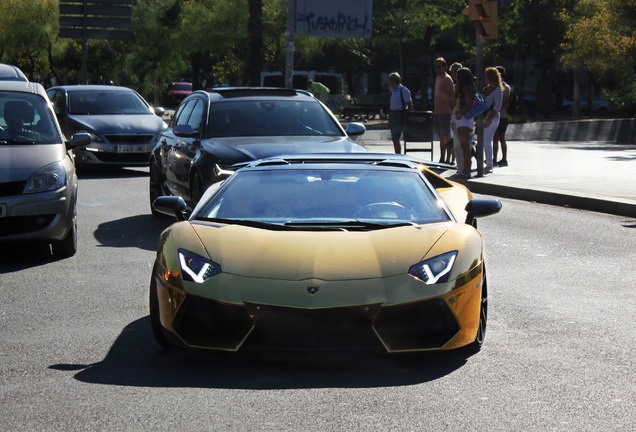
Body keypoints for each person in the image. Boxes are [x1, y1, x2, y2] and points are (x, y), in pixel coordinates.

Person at [453, 67, 477, 179]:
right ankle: (464, 170)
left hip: (464, 118)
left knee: (465, 146)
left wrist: (460, 113)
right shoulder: (462, 87)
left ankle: (466, 171)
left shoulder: (466, 88)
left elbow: (468, 103)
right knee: (463, 145)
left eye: (458, 75)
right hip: (462, 118)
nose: (456, 77)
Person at [433, 58, 455, 164]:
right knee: (440, 136)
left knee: (447, 136)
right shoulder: (438, 78)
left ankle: (449, 159)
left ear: (445, 67)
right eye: (435, 67)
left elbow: (451, 95)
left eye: (439, 66)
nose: (437, 69)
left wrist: (452, 109)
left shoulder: (447, 79)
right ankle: (442, 158)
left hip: (446, 112)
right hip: (438, 111)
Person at [482, 67, 504, 174]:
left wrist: (489, 119)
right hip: (484, 117)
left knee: (487, 140)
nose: (484, 77)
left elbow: (497, 107)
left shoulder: (498, 90)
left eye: (486, 75)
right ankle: (484, 161)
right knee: (482, 141)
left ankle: (489, 164)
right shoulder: (485, 88)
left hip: (493, 118)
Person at [387, 72, 413, 154]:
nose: (388, 82)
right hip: (393, 115)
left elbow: (409, 104)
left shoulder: (403, 90)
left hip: (400, 115)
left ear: (394, 81)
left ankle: (398, 154)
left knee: (396, 137)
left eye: (390, 80)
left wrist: (406, 115)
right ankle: (396, 153)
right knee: (394, 138)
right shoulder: (393, 91)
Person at [493, 65, 510, 167]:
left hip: (502, 116)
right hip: (495, 116)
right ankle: (494, 158)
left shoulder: (505, 87)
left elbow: (506, 103)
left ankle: (504, 158)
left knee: (501, 137)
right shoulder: (494, 86)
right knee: (494, 138)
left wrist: (496, 109)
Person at [449, 62, 463, 171]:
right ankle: (459, 166)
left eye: (457, 71)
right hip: (454, 115)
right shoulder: (454, 86)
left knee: (462, 144)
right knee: (456, 144)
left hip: (462, 117)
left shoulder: (464, 86)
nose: (454, 74)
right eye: (453, 72)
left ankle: (463, 167)